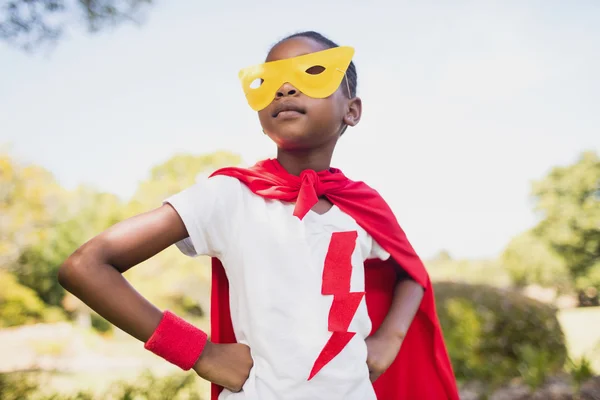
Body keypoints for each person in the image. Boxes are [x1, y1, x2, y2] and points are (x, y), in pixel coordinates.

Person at [58, 31, 459, 400]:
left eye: (312, 73)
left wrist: (390, 339)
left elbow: (411, 272)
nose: (284, 88)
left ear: (351, 111)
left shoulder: (361, 205)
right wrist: (199, 351)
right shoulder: (229, 196)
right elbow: (86, 266)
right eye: (270, 81)